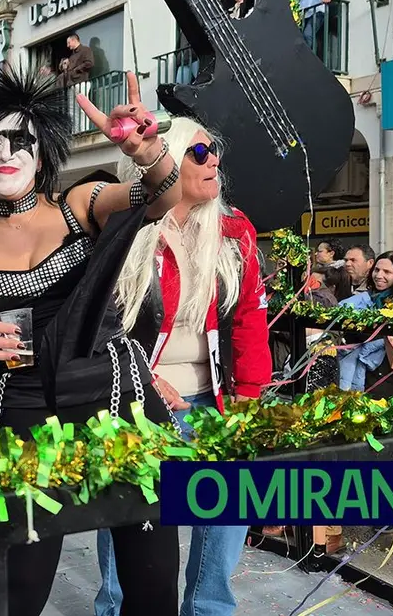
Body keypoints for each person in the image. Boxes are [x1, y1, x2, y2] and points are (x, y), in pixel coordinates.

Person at [0, 66, 182, 616]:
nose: (9, 153)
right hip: (25, 426)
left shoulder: (81, 205)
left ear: (42, 152)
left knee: (154, 590)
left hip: (125, 410)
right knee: (14, 597)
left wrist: (147, 150)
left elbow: (157, 196)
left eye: (22, 140)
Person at [98, 119, 270, 616]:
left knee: (229, 508)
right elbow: (98, 323)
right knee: (137, 514)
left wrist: (250, 394)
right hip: (140, 400)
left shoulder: (235, 230)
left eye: (214, 149)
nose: (213, 158)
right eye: (199, 151)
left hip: (214, 398)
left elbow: (249, 318)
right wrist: (143, 379)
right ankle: (116, 608)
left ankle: (208, 610)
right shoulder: (125, 228)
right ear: (168, 159)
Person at [335, 251, 393, 392]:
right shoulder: (365, 299)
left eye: (387, 272)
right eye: (376, 270)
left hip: (388, 375)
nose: (378, 276)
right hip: (365, 375)